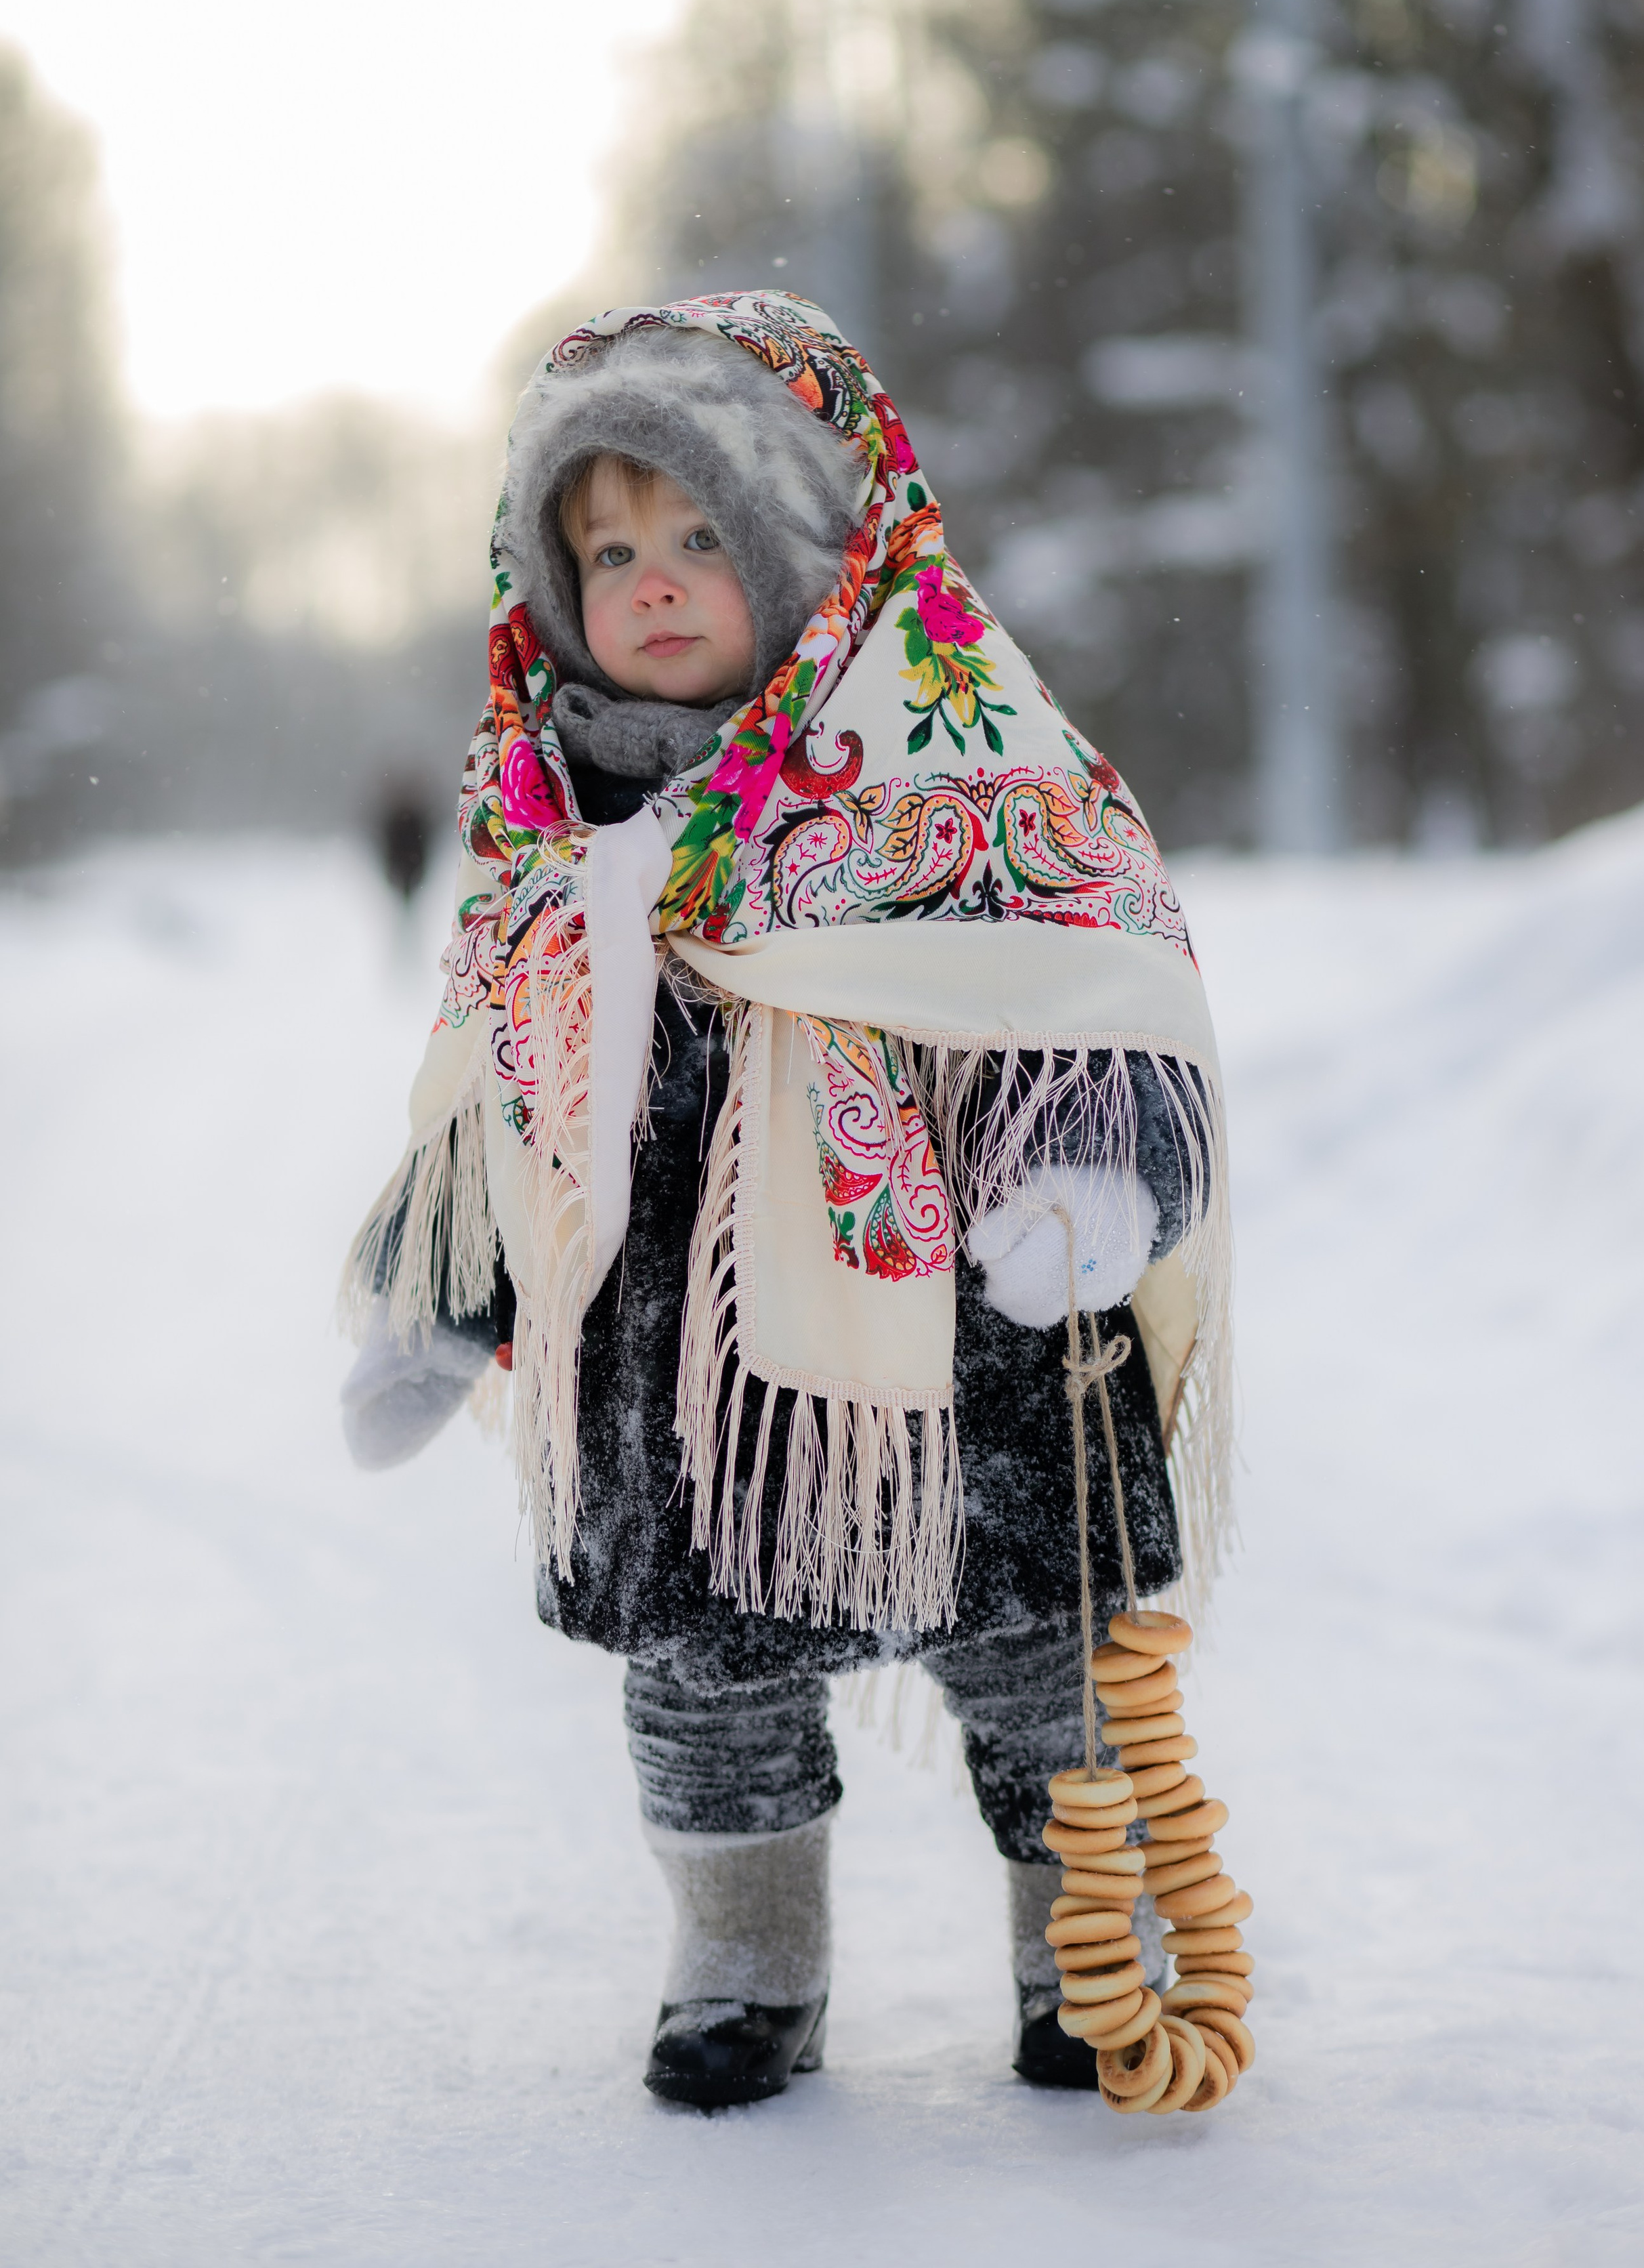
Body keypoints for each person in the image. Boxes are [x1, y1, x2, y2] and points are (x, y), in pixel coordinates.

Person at [340, 291, 1232, 2112]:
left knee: (1045, 1667)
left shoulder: (957, 765)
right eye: (606, 548)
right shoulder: (548, 830)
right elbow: (499, 1113)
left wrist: (1085, 1177)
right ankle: (746, 1962)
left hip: (982, 1357)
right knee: (700, 1688)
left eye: (698, 536)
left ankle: (1086, 1948)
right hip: (680, 1387)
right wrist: (439, 1306)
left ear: (806, 547)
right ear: (544, 579)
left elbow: (1094, 989)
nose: (651, 580)